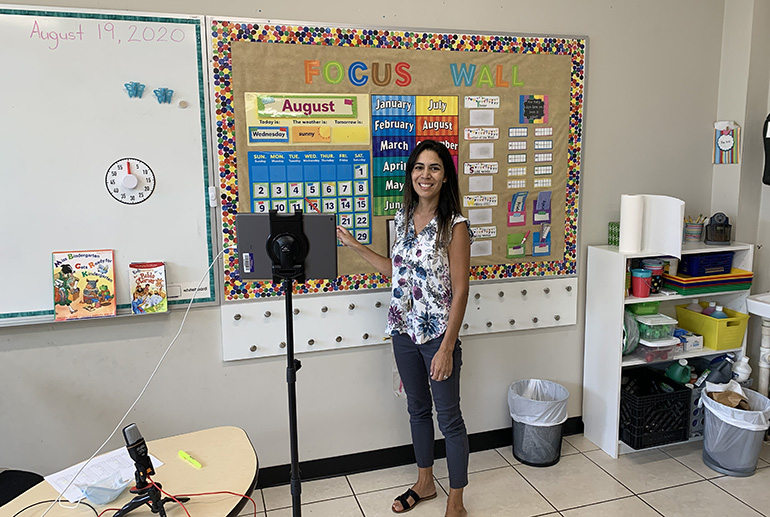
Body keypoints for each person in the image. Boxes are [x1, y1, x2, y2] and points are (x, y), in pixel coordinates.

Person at [337, 139, 471, 516]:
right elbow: (397, 272)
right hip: (403, 331)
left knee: (450, 418)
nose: (424, 175)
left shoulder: (455, 226)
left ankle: (456, 502)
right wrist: (354, 245)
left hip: (437, 337)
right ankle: (425, 482)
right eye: (418, 167)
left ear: (445, 178)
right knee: (417, 410)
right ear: (410, 173)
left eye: (434, 168)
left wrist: (447, 347)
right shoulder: (402, 219)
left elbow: (461, 291)